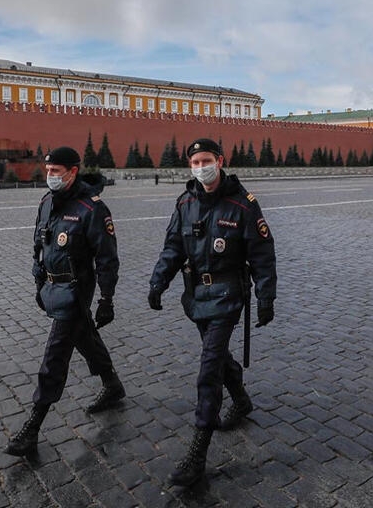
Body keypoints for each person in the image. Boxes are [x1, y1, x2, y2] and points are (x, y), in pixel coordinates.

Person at [148, 138, 276, 488]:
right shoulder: (186, 202)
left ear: (220, 161)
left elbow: (262, 254)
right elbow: (173, 247)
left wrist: (266, 298)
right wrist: (158, 283)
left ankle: (197, 453)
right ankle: (241, 399)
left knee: (208, 368)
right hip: (197, 296)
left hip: (228, 296)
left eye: (206, 160)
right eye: (194, 162)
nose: (200, 167)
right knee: (217, 358)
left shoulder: (243, 204)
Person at [5, 146, 124, 457]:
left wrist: (107, 298)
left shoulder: (92, 209)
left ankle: (33, 426)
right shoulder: (47, 203)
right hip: (53, 287)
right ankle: (112, 384)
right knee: (83, 336)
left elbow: (107, 258)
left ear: (73, 172)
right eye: (48, 170)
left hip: (77, 288)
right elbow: (39, 245)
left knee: (56, 353)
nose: (50, 176)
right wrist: (37, 280)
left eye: (56, 171)